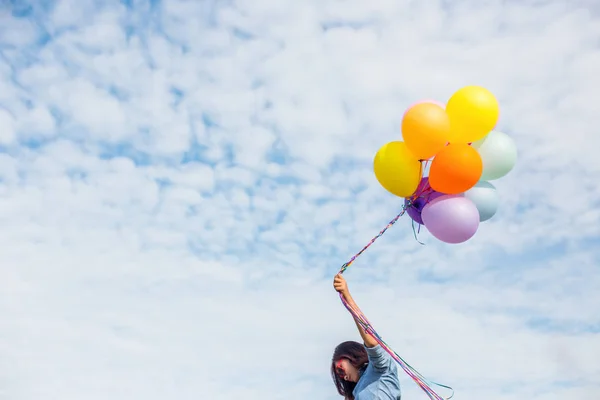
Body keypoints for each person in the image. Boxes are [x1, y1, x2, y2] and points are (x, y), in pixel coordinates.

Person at [331, 273, 401, 400]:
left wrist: (346, 295)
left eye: (341, 369)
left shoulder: (379, 367)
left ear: (350, 356)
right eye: (340, 376)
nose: (344, 377)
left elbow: (373, 343)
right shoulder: (357, 391)